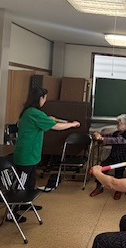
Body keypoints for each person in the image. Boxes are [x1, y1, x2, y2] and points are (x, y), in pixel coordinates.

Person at [12, 86, 80, 222]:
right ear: (40, 98)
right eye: (44, 98)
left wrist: (49, 118)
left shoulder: (31, 111)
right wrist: (72, 124)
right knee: (21, 183)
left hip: (32, 154)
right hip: (26, 155)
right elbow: (56, 126)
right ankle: (11, 212)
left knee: (31, 182)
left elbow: (46, 121)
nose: (45, 100)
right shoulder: (34, 113)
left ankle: (26, 203)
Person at [89, 113, 126, 200]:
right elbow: (109, 137)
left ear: (125, 125)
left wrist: (103, 139)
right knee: (102, 168)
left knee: (119, 173)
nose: (117, 125)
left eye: (119, 124)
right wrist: (98, 135)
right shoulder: (116, 133)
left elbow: (117, 140)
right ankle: (99, 187)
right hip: (113, 156)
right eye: (117, 123)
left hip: (122, 158)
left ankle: (118, 190)